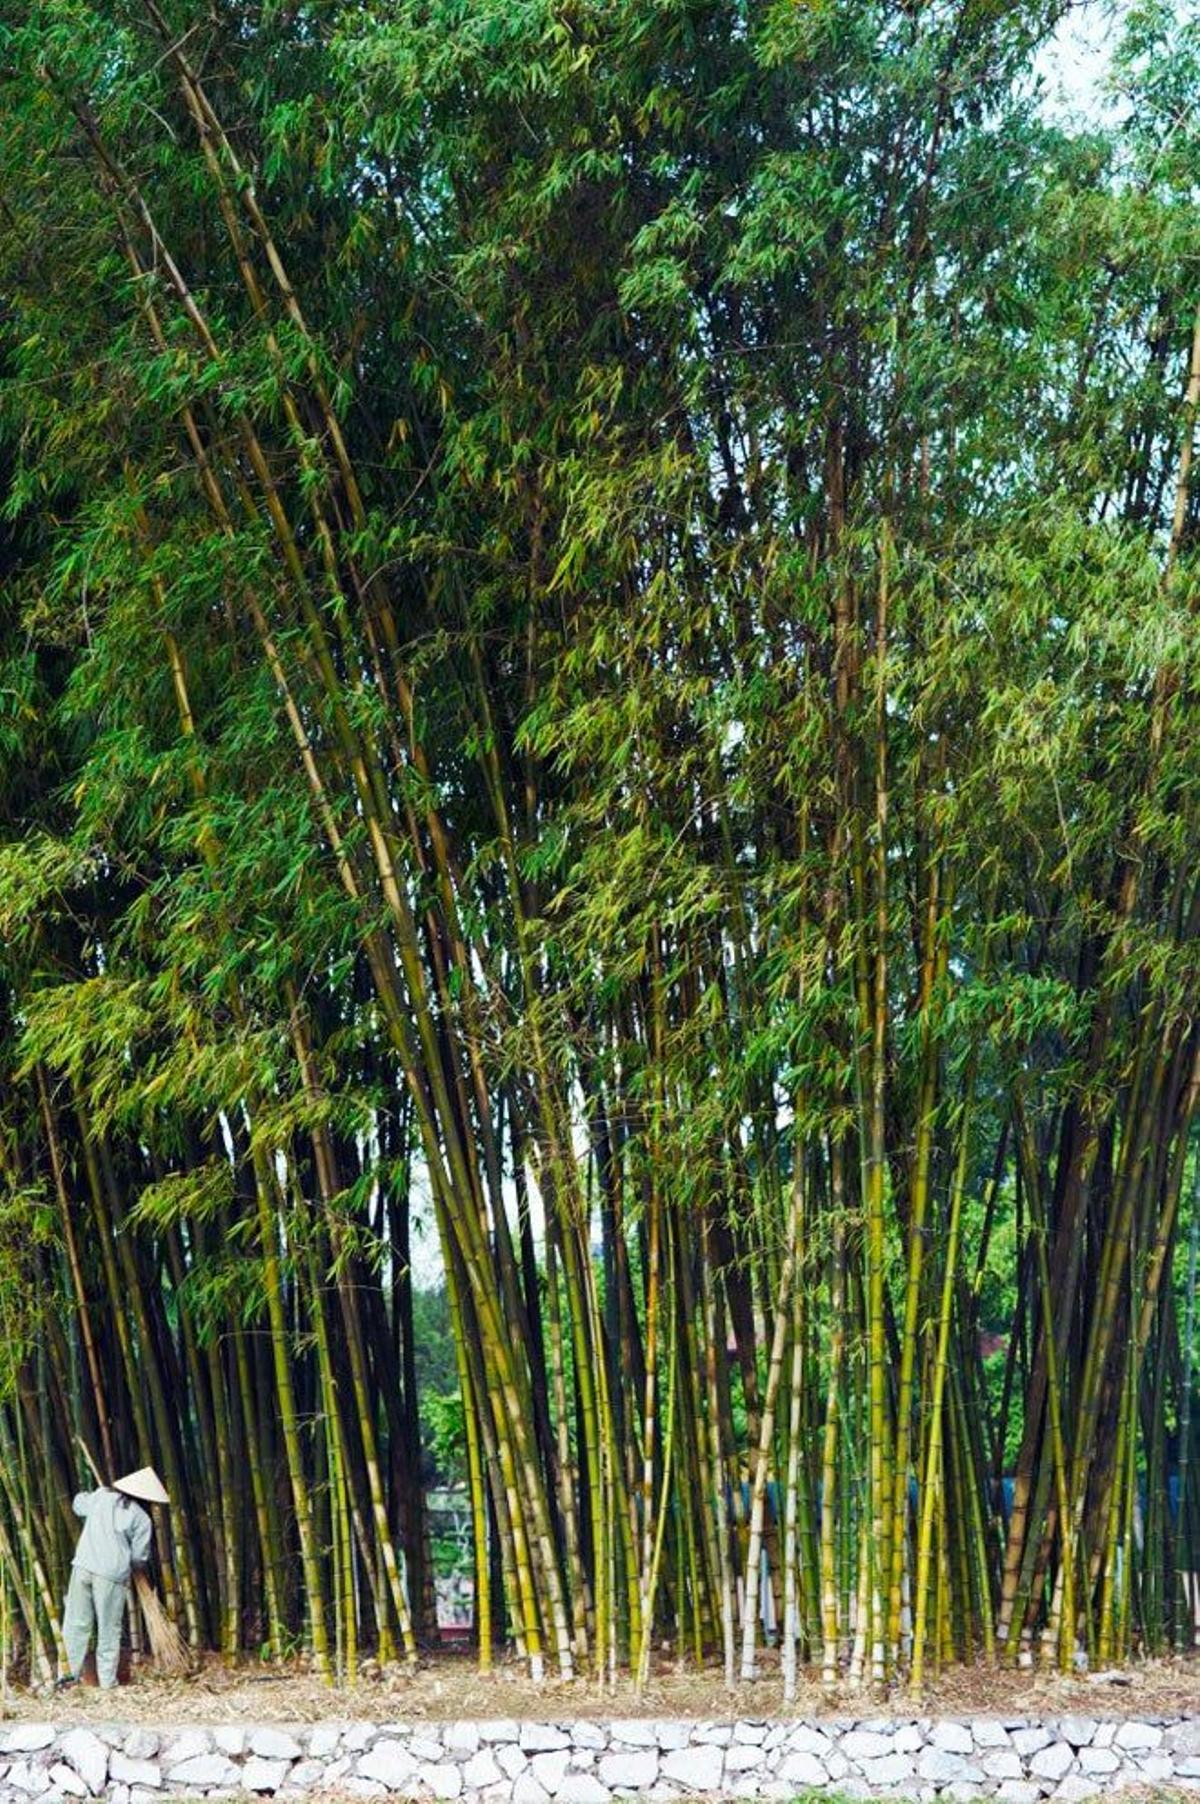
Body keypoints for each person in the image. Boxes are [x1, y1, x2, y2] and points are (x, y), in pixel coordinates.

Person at [60, 1467, 170, 1690]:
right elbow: (140, 1557)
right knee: (109, 1629)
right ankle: (108, 1684)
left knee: (76, 1624)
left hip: (83, 1565)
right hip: (110, 1575)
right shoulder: (142, 1518)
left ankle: (66, 1678)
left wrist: (88, 1494)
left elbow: (78, 1504)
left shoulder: (101, 1496)